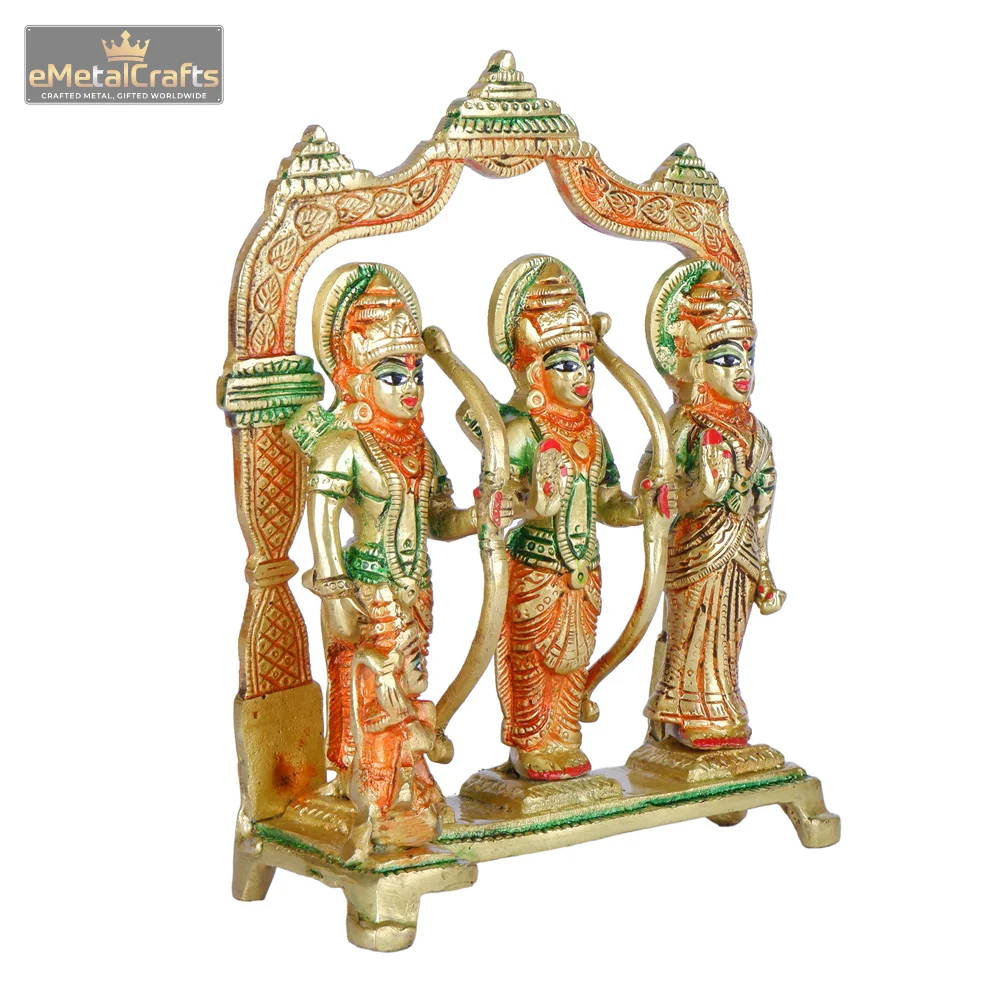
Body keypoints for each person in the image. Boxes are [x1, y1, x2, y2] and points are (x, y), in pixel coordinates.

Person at [299, 263, 481, 853]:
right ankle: (372, 792)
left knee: (411, 687)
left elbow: (442, 522)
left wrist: (482, 516)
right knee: (373, 690)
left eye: (416, 374)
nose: (411, 388)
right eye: (392, 375)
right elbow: (323, 525)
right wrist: (335, 596)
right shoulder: (343, 446)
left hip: (417, 589)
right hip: (367, 590)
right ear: (356, 379)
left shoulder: (420, 448)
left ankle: (409, 780)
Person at [475, 256, 642, 780]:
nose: (584, 376)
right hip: (536, 570)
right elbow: (500, 499)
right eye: (566, 365)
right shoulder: (521, 432)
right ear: (534, 372)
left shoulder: (593, 435)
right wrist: (525, 505)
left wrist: (642, 509)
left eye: (588, 364)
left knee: (574, 662)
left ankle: (565, 740)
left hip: (584, 570)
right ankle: (530, 744)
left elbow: (608, 501)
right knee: (531, 659)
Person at [640, 259, 785, 749]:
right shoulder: (684, 423)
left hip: (740, 554)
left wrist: (764, 568)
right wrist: (698, 493)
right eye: (726, 358)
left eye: (748, 356)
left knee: (728, 640)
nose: (742, 369)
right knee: (690, 633)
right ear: (696, 366)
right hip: (695, 554)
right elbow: (648, 490)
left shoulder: (756, 432)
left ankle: (722, 705)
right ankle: (681, 714)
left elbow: (763, 503)